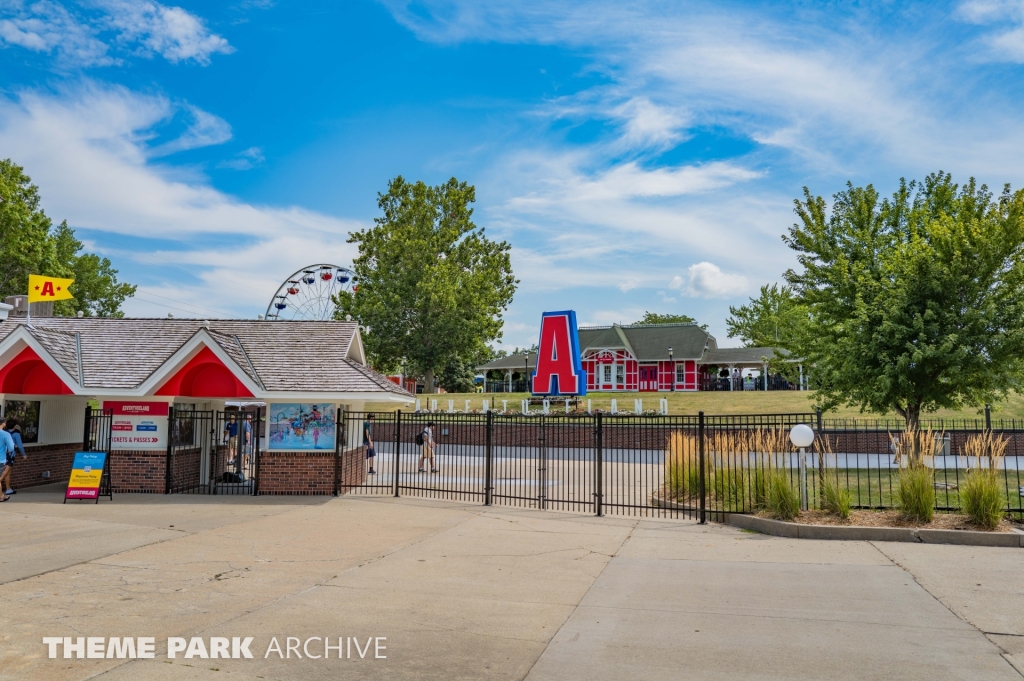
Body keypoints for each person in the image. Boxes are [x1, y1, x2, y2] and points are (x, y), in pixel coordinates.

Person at [0, 418, 15, 500]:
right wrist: (7, 450)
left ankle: (1, 495)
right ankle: (1, 496)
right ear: (3, 423)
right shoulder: (5, 434)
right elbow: (11, 447)